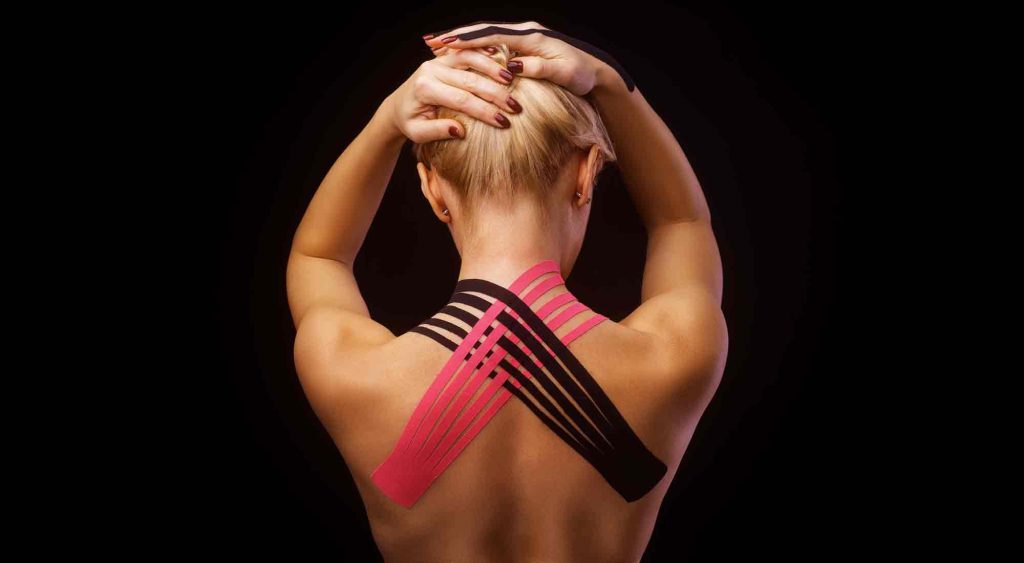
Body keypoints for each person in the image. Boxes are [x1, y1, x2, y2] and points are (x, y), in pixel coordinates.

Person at [286, 21, 729, 563]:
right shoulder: (674, 356)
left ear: (432, 190)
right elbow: (682, 221)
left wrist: (387, 121)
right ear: (587, 174)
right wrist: (610, 80)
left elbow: (319, 256)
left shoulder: (355, 373)